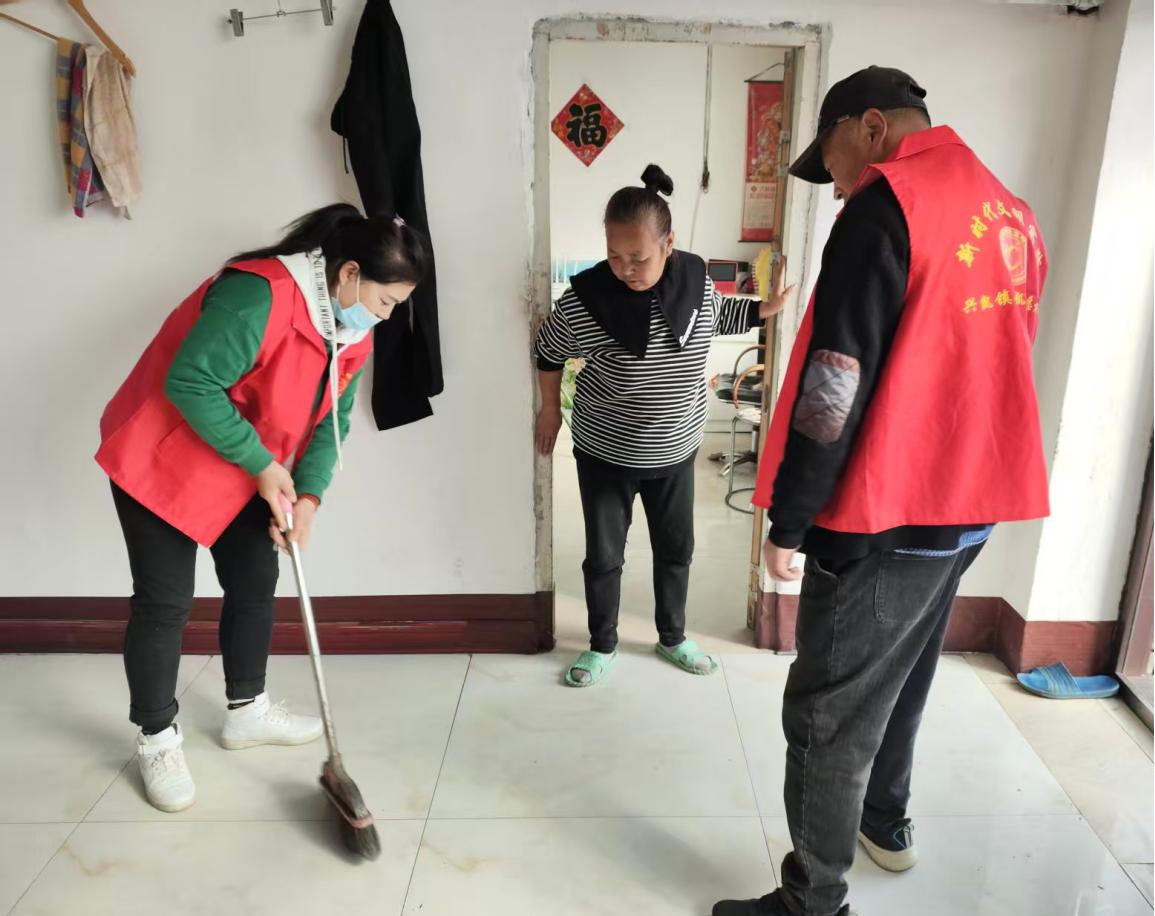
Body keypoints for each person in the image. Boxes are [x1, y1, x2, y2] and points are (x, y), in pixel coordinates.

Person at [713, 67, 1049, 916]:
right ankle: (883, 820)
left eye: (831, 165)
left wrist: (789, 520)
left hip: (888, 503)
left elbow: (835, 379)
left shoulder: (885, 207)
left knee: (826, 712)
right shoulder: (1009, 211)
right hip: (972, 499)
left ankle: (812, 900)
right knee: (902, 670)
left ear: (868, 128)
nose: (836, 188)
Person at [95, 204, 429, 813]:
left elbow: (330, 421)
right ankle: (157, 738)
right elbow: (191, 382)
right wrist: (264, 464)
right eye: (386, 301)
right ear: (350, 274)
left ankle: (246, 710)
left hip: (243, 459)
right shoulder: (259, 295)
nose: (386, 316)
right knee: (165, 602)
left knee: (255, 578)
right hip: (163, 451)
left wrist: (309, 496)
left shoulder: (350, 331)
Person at [535, 164, 792, 687]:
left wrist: (764, 309)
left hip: (675, 451)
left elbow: (717, 316)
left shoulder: (695, 280)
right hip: (605, 453)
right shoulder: (585, 299)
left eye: (639, 257)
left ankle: (672, 637)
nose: (625, 269)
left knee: (677, 551)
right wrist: (549, 410)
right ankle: (601, 644)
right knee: (604, 557)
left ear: (668, 244)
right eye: (614, 255)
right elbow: (548, 350)